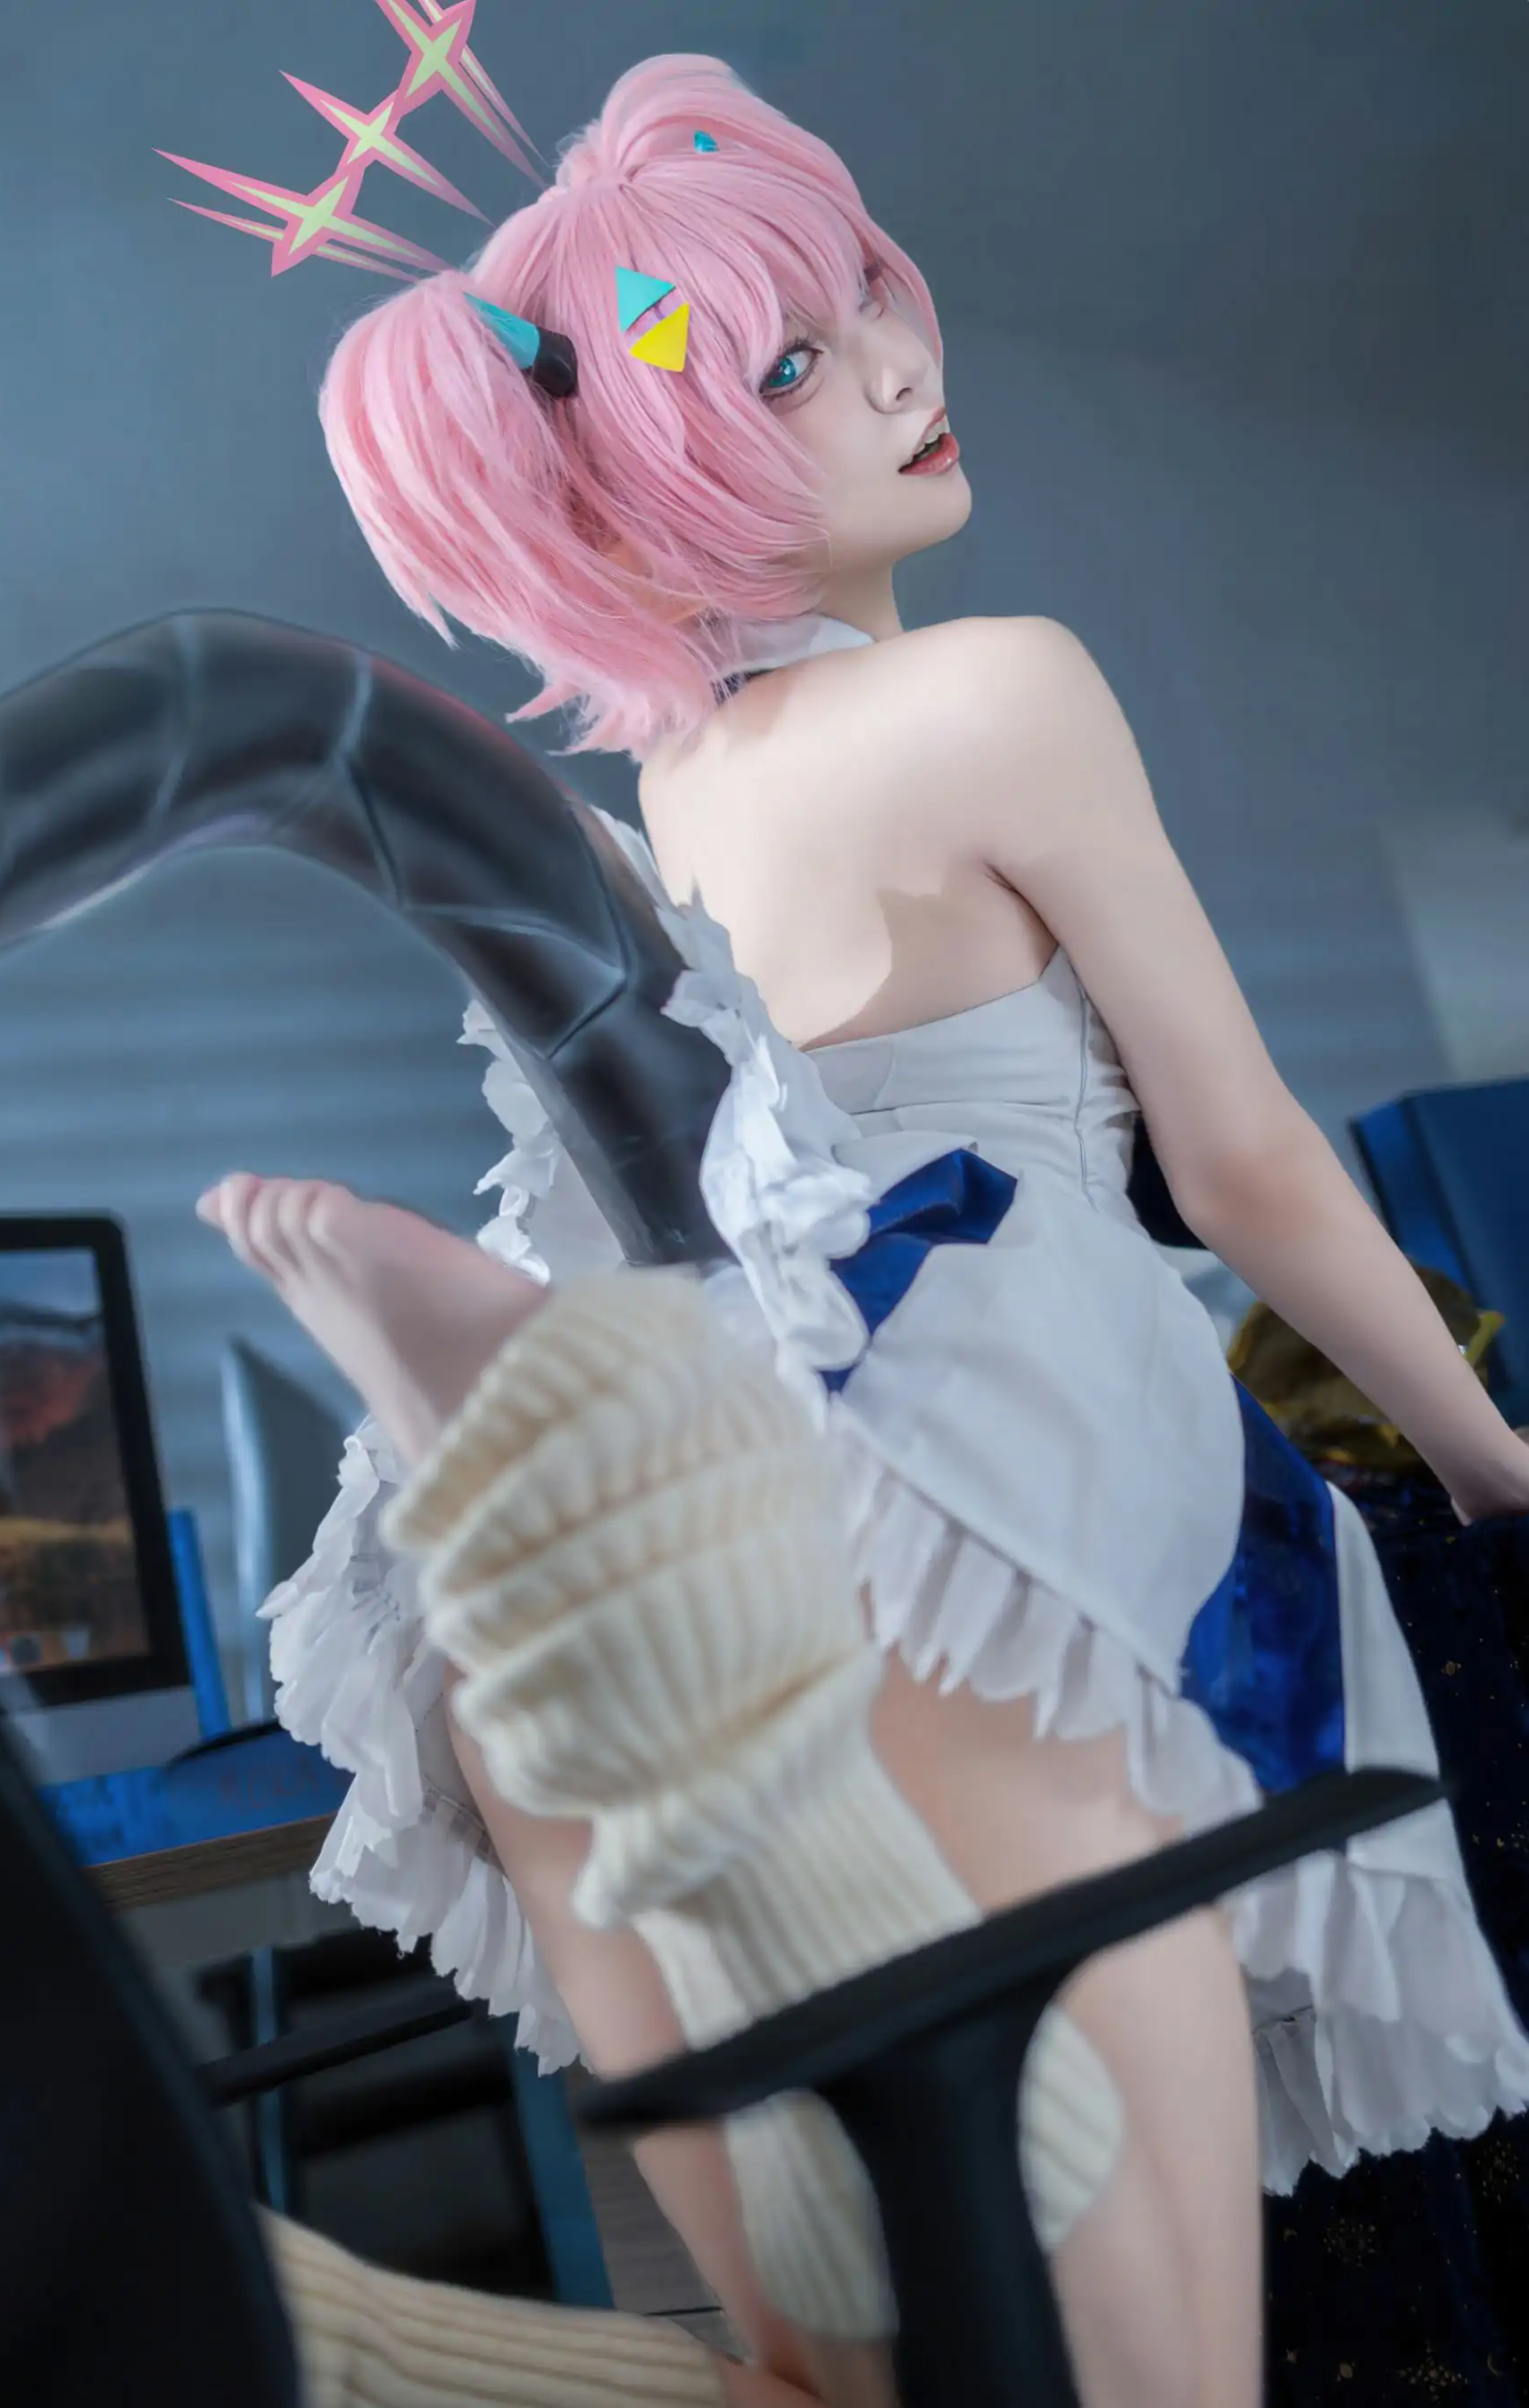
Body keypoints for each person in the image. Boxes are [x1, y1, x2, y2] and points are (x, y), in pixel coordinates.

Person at [197, 49, 1529, 2408]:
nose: (907, 363)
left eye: (871, 299)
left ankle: (511, 1422)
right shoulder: (993, 691)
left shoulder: (657, 798)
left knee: (867, 2325)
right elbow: (1242, 1161)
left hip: (752, 1430)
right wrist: (1492, 1457)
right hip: (1009, 1427)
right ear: (644, 478)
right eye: (797, 362)